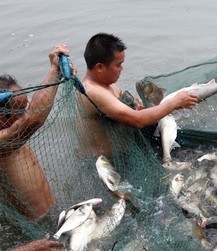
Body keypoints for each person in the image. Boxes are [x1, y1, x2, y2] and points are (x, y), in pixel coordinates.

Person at [77, 33, 198, 157]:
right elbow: (138, 120)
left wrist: (136, 103)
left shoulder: (106, 83)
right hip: (107, 162)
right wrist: (174, 103)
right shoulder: (93, 92)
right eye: (118, 65)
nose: (122, 69)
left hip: (125, 151)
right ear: (100, 67)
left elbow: (123, 97)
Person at [0, 44, 70, 221]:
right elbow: (33, 120)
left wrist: (58, 72)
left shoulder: (11, 124)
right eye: (20, 111)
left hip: (52, 212)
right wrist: (54, 70)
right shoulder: (4, 141)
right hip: (36, 226)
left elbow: (34, 107)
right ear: (2, 118)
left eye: (25, 107)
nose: (26, 111)